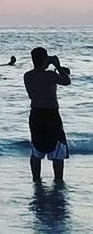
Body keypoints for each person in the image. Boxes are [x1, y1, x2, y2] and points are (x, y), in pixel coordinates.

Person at [24, 47, 70, 182]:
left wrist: (47, 64)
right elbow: (66, 81)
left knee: (37, 148)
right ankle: (58, 181)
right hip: (51, 114)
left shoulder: (28, 75)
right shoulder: (50, 75)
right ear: (44, 59)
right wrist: (57, 65)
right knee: (57, 148)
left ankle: (36, 180)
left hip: (36, 114)